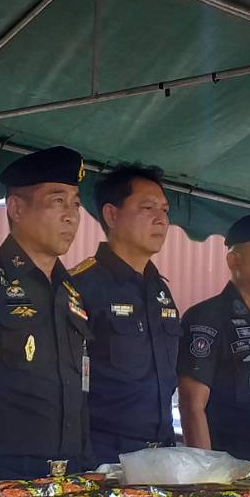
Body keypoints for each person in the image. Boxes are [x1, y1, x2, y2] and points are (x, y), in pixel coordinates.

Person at [0, 146, 90, 479]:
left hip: (70, 475)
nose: (71, 215)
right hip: (0, 475)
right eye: (57, 201)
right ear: (16, 208)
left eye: (75, 203)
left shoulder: (71, 288)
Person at [69, 165, 180, 466]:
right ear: (112, 215)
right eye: (147, 208)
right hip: (105, 459)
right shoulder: (81, 286)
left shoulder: (160, 290)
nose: (162, 219)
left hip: (161, 456)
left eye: (165, 210)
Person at [177, 210, 250, 462]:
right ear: (234, 261)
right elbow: (191, 405)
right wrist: (206, 479)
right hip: (233, 475)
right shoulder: (208, 317)